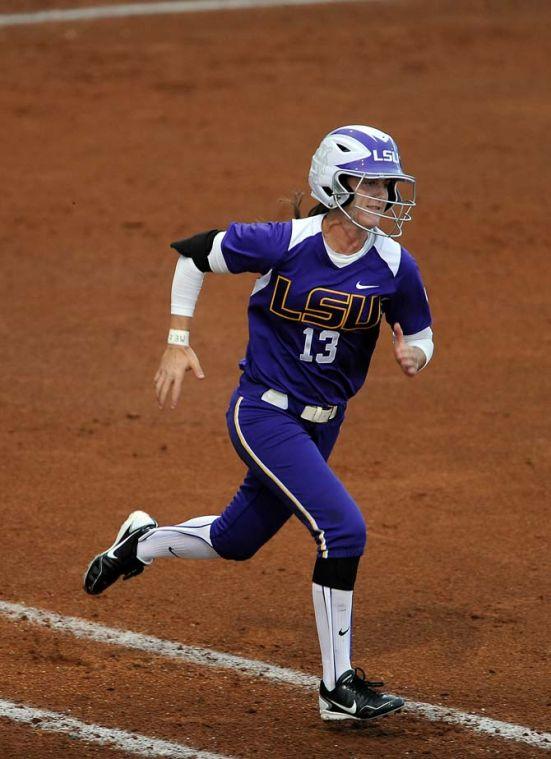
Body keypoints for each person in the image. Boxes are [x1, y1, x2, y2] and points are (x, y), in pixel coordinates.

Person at [84, 125, 434, 722]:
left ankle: (141, 542)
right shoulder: (283, 243)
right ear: (334, 185)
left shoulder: (395, 264)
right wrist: (177, 341)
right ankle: (336, 688)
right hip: (264, 413)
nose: (383, 196)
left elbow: (421, 333)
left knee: (234, 541)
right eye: (369, 184)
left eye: (387, 185)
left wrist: (415, 356)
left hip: (325, 426)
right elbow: (195, 253)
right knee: (343, 530)